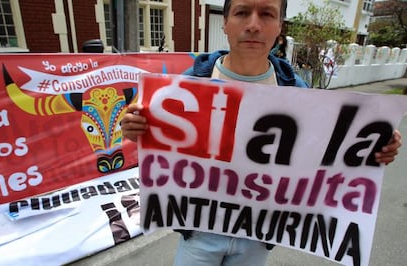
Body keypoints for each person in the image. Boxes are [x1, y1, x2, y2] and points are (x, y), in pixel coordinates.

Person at [121, 0, 402, 265]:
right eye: (242, 12)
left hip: (258, 237)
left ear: (280, 26)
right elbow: (145, 136)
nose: (253, 25)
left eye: (267, 14)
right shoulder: (183, 88)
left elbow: (329, 152)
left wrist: (376, 145)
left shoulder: (301, 95)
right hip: (198, 233)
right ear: (226, 23)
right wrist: (135, 128)